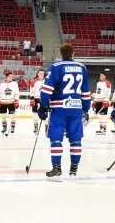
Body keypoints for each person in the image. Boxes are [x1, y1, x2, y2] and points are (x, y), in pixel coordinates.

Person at [39, 44, 91, 180]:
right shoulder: (82, 68)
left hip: (59, 108)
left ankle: (57, 169)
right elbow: (85, 92)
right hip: (76, 109)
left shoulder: (56, 67)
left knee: (56, 138)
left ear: (61, 54)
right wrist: (86, 108)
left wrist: (43, 106)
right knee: (76, 139)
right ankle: (74, 170)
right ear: (73, 53)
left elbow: (46, 89)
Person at [0, 71, 20, 136]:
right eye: (10, 76)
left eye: (12, 76)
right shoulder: (2, 84)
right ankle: (4, 127)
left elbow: (17, 92)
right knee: (3, 116)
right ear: (6, 77)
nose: (11, 78)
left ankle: (12, 127)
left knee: (12, 116)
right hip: (3, 102)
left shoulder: (14, 84)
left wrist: (16, 100)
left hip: (11, 102)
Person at [29, 69, 47, 134]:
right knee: (35, 113)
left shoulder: (47, 81)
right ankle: (36, 127)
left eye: (42, 73)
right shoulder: (34, 81)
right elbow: (31, 91)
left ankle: (46, 127)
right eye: (40, 73)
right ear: (38, 74)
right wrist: (32, 99)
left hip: (44, 99)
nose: (41, 74)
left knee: (46, 114)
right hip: (36, 99)